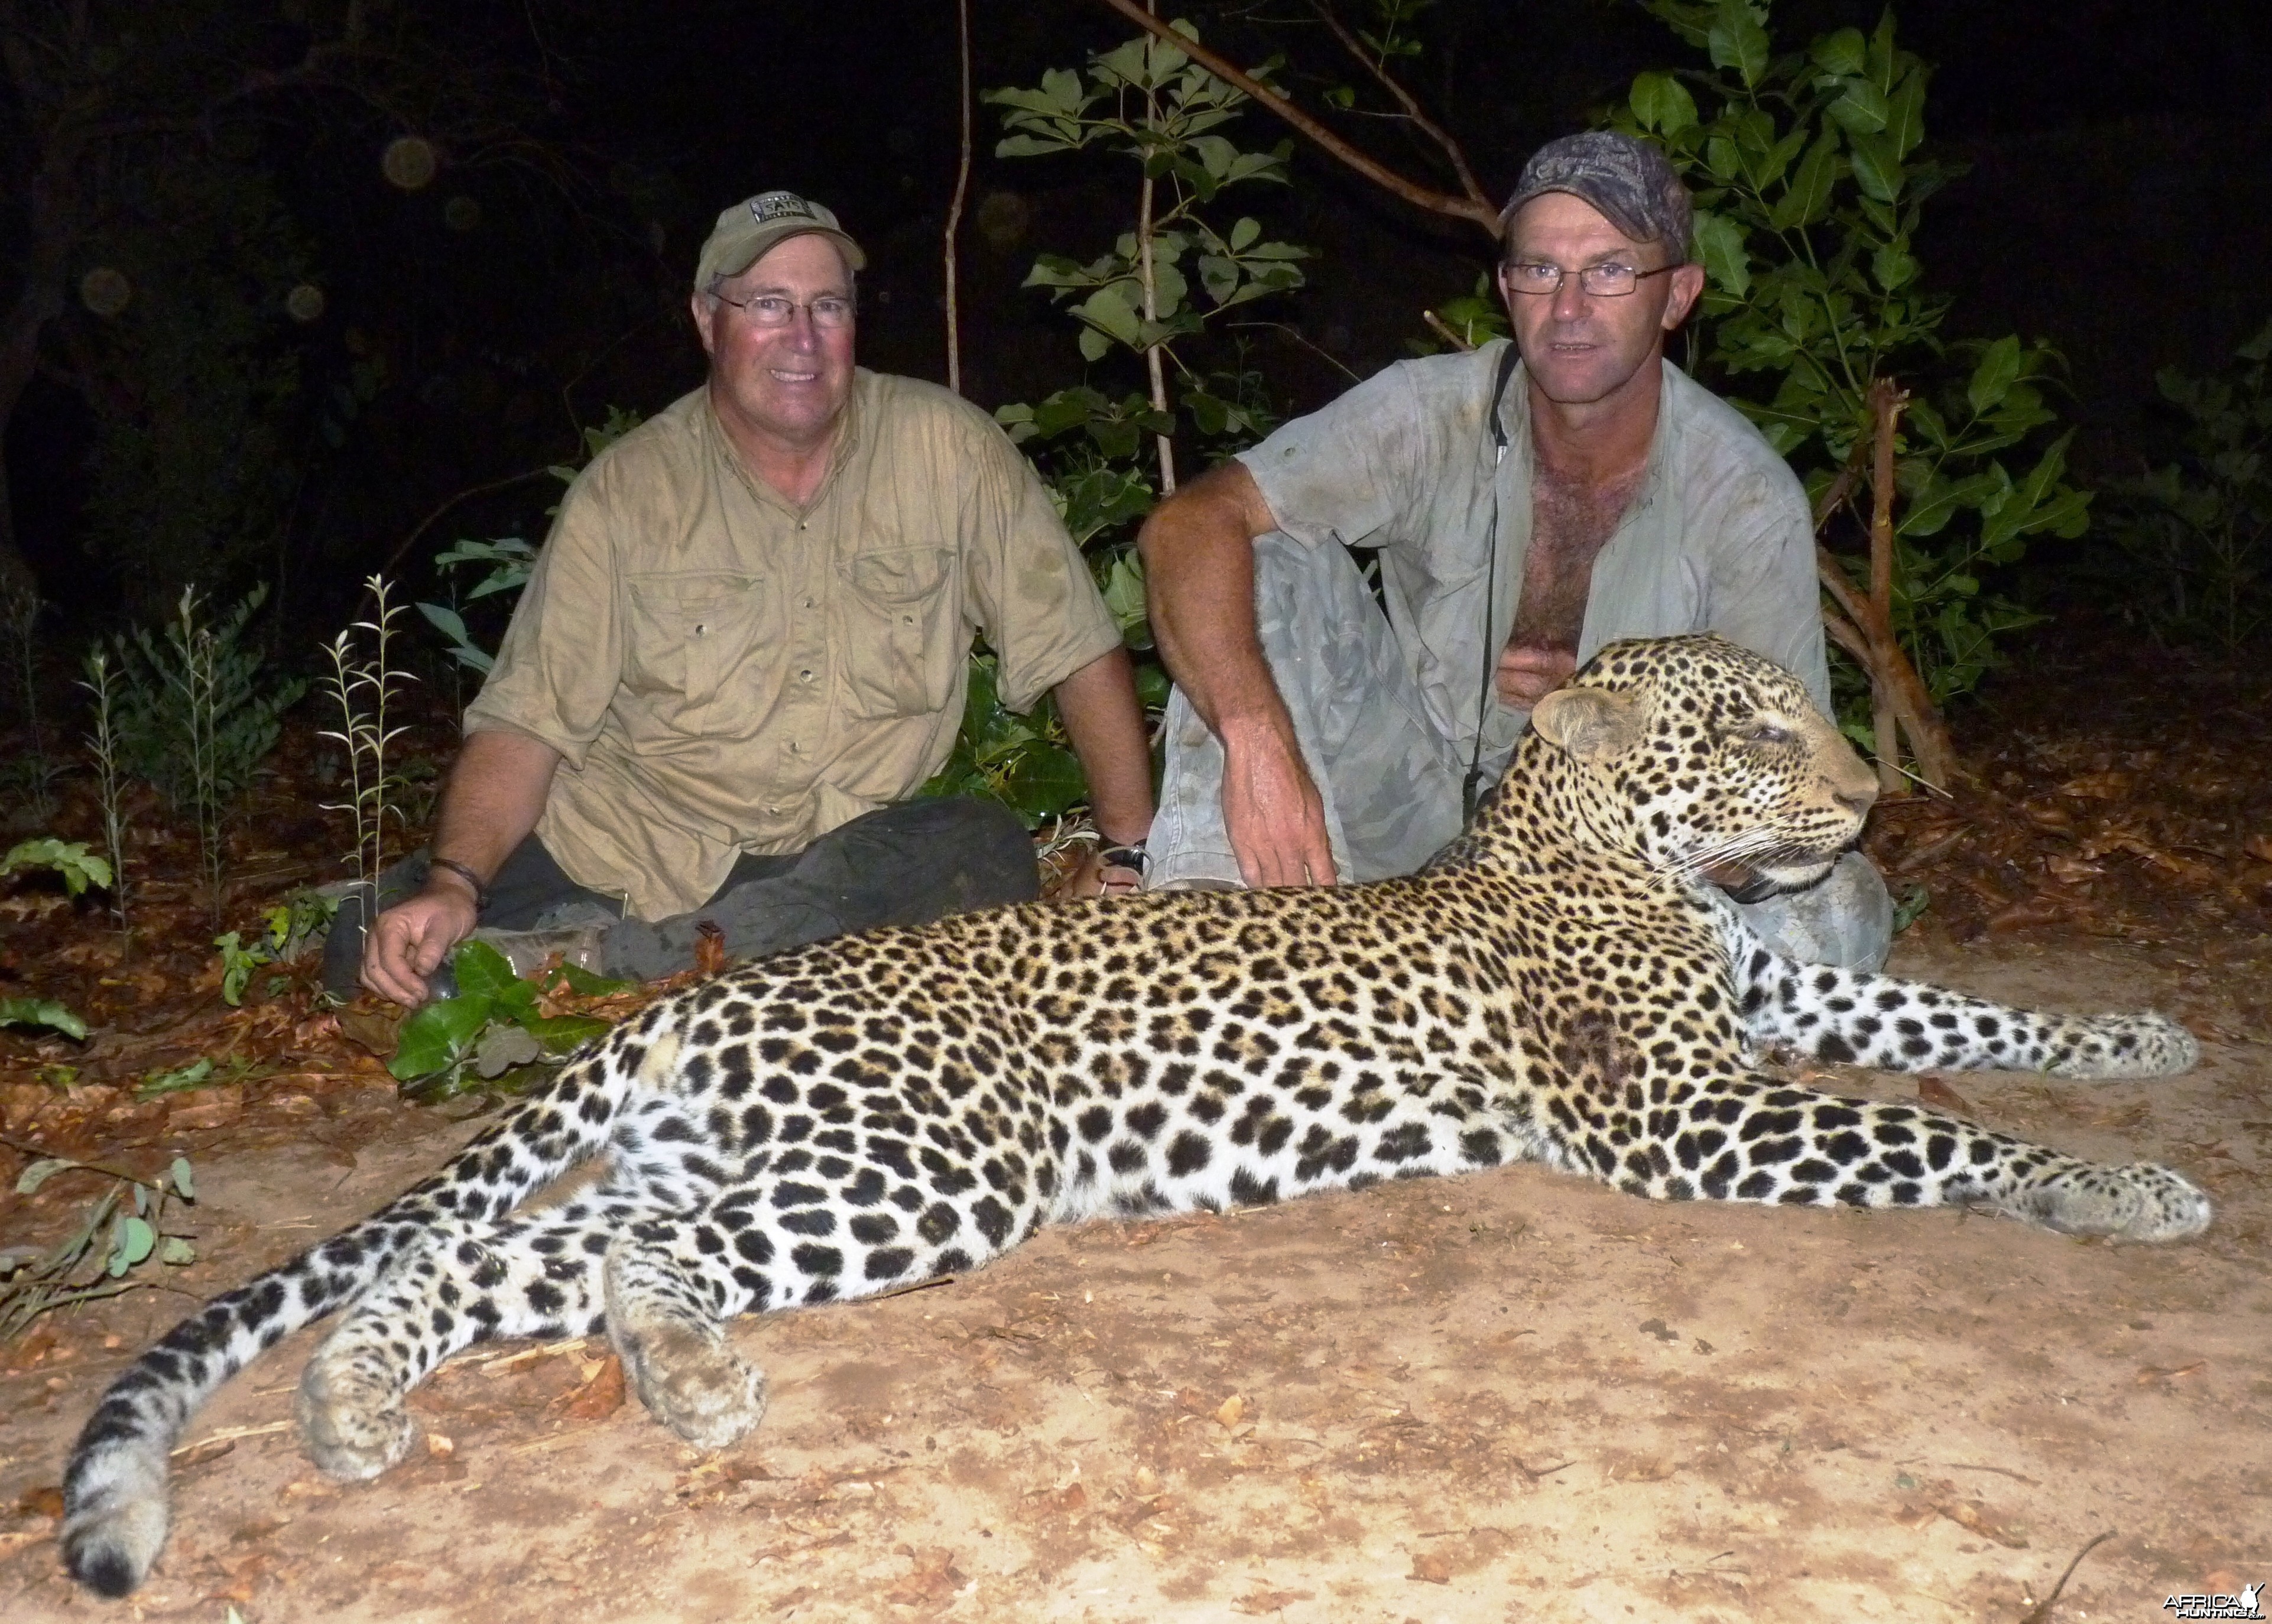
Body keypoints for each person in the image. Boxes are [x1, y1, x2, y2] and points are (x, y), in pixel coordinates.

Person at [348, 190, 1154, 1008]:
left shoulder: (948, 449)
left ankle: (617, 973)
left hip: (832, 864)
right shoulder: (626, 493)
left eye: (827, 306)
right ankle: (679, 970)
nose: (802, 338)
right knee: (369, 949)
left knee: (981, 848)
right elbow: (528, 721)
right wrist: (454, 881)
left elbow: (1076, 646)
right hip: (626, 853)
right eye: (769, 305)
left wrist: (1126, 853)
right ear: (708, 319)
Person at [1137, 132, 1890, 968]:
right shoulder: (1430, 412)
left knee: (1840, 914)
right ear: (1506, 288)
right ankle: (1207, 952)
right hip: (1405, 815)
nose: (1568, 308)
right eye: (1540, 270)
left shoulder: (1746, 496)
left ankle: (1503, 1013)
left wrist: (1618, 743)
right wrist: (1257, 741)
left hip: (1608, 874)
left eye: (1609, 271)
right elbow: (1189, 524)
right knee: (1267, 562)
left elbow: (1786, 793)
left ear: (1677, 296)